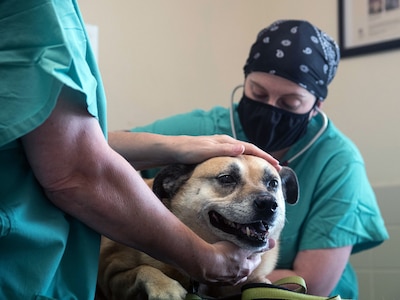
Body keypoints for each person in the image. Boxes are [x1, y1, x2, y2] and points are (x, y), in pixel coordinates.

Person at [0, 2, 281, 299]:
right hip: (18, 266)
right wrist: (203, 259)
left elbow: (58, 139)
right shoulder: (35, 9)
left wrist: (180, 147)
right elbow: (75, 169)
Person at [114, 19, 389, 299]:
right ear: (245, 81)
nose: (269, 108)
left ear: (316, 107)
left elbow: (314, 282)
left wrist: (215, 275)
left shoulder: (339, 162)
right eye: (258, 92)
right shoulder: (203, 130)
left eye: (290, 103)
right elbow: (99, 152)